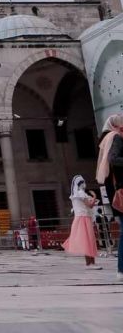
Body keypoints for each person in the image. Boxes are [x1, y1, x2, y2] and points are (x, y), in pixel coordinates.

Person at [96, 113, 123, 281]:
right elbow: (114, 159)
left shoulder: (106, 139)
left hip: (116, 193)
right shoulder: (115, 138)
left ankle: (121, 270)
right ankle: (121, 270)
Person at [62, 175, 101, 269]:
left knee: (87, 240)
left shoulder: (75, 195)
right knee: (88, 240)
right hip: (83, 218)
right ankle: (90, 263)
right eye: (83, 182)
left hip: (81, 218)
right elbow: (90, 205)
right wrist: (95, 196)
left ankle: (91, 263)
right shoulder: (81, 193)